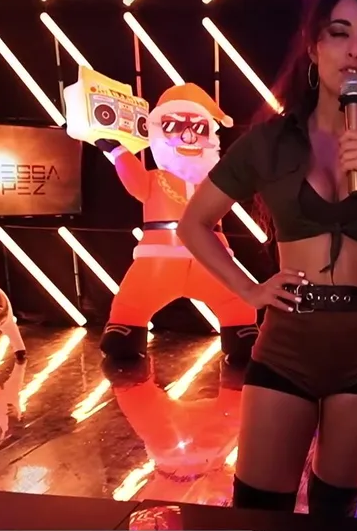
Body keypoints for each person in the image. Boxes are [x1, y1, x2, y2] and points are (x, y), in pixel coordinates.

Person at [177, 0, 357, 517]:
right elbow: (194, 223)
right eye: (339, 33)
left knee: (333, 518)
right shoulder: (270, 142)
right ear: (314, 46)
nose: (355, 51)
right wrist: (249, 290)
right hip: (287, 347)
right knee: (257, 512)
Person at [92, 83, 259, 364]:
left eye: (199, 127)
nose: (189, 135)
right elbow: (135, 181)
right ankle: (126, 329)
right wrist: (116, 150)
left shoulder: (216, 180)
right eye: (174, 126)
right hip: (157, 260)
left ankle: (241, 329)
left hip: (211, 258)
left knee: (235, 300)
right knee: (133, 302)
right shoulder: (155, 179)